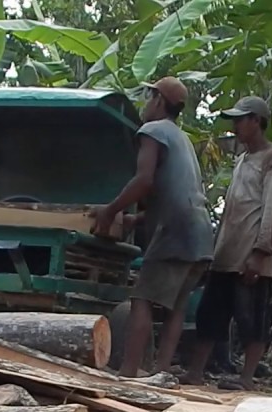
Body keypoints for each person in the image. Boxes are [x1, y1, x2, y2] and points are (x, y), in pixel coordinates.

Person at [92, 77, 214, 378]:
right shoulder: (182, 139)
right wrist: (137, 219)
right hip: (201, 233)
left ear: (159, 101)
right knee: (177, 305)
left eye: (149, 98)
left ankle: (129, 370)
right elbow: (181, 193)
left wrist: (110, 211)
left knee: (142, 297)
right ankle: (160, 371)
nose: (146, 105)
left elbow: (144, 180)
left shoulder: (153, 130)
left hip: (177, 230)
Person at [181, 96, 272, 390]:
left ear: (256, 121)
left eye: (240, 120)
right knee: (210, 314)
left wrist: (261, 251)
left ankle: (246, 377)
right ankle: (196, 371)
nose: (235, 126)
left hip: (250, 254)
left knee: (251, 318)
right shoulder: (242, 159)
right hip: (228, 253)